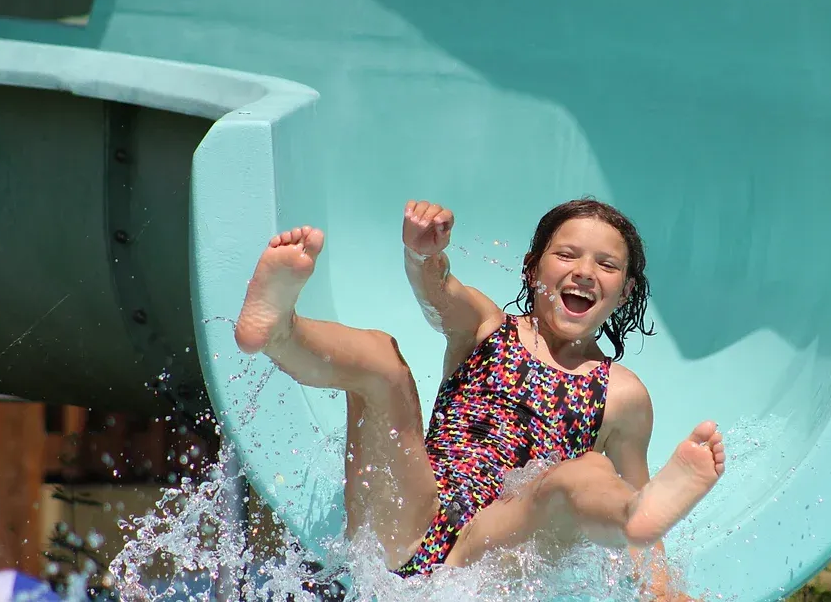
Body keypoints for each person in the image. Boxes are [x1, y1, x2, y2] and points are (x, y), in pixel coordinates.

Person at [232, 198, 725, 599]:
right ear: (534, 269)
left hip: (486, 560)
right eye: (567, 255)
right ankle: (278, 331)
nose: (585, 272)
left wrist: (664, 592)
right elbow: (438, 291)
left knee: (584, 475)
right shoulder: (488, 327)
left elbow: (640, 490)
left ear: (625, 292)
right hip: (411, 522)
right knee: (382, 361)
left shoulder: (623, 394)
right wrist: (421, 254)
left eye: (607, 265)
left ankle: (626, 523)